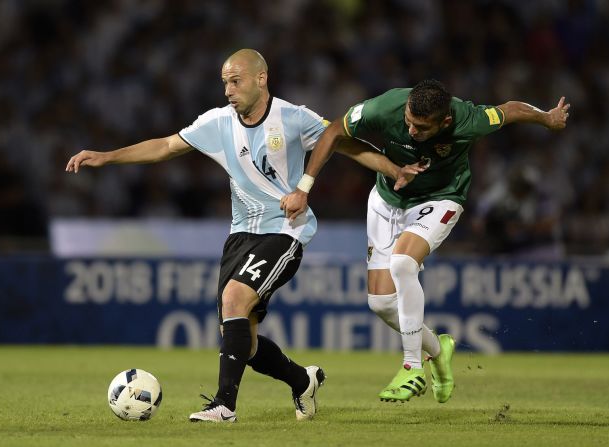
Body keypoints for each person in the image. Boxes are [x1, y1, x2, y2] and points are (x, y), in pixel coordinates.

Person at [66, 49, 417, 422]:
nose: (228, 91)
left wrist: (393, 169)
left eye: (235, 81)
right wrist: (107, 156)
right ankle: (303, 381)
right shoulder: (217, 122)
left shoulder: (294, 118)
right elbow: (166, 146)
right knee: (243, 342)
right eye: (224, 83)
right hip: (240, 237)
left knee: (235, 299)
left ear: (261, 79)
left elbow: (344, 142)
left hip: (284, 230)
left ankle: (224, 405)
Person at [281, 79, 570, 403]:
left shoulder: (467, 119)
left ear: (444, 122)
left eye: (421, 127)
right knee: (380, 303)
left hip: (440, 199)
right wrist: (304, 188)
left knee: (403, 263)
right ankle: (438, 350)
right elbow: (335, 130)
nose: (412, 130)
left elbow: (510, 111)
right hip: (388, 199)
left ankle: (411, 367)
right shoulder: (386, 106)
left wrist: (546, 118)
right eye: (408, 121)